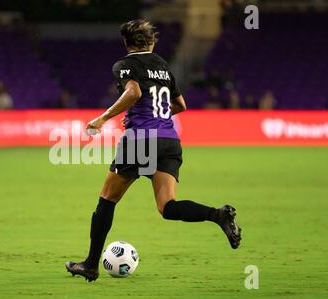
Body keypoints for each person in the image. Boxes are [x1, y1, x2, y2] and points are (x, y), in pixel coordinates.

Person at [65, 20, 242, 282]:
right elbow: (180, 104)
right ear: (152, 43)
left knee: (107, 199)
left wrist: (103, 119)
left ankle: (91, 265)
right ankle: (217, 215)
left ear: (126, 44)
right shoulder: (163, 66)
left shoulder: (124, 65)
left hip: (141, 140)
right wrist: (156, 118)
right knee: (167, 207)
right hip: (170, 141)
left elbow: (134, 92)